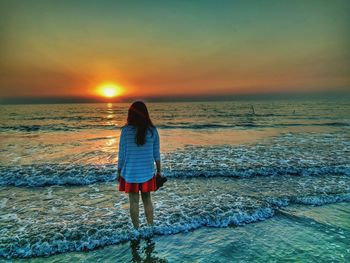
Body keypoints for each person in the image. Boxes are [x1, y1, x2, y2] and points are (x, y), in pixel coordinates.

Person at [117, 101, 161, 229]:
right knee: (147, 201)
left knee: (134, 202)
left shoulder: (125, 131)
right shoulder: (152, 131)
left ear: (130, 114)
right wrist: (159, 172)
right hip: (147, 173)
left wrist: (119, 171)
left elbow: (122, 154)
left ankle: (136, 230)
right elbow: (156, 154)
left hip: (131, 173)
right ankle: (150, 228)